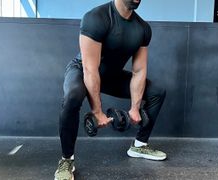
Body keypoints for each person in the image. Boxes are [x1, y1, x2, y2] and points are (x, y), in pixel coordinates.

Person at [54, 0, 167, 179]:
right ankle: (67, 160)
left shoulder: (143, 28)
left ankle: (139, 145)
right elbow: (90, 70)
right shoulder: (96, 18)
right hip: (83, 70)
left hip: (111, 75)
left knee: (157, 91)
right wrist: (97, 112)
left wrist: (135, 108)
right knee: (73, 96)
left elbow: (139, 71)